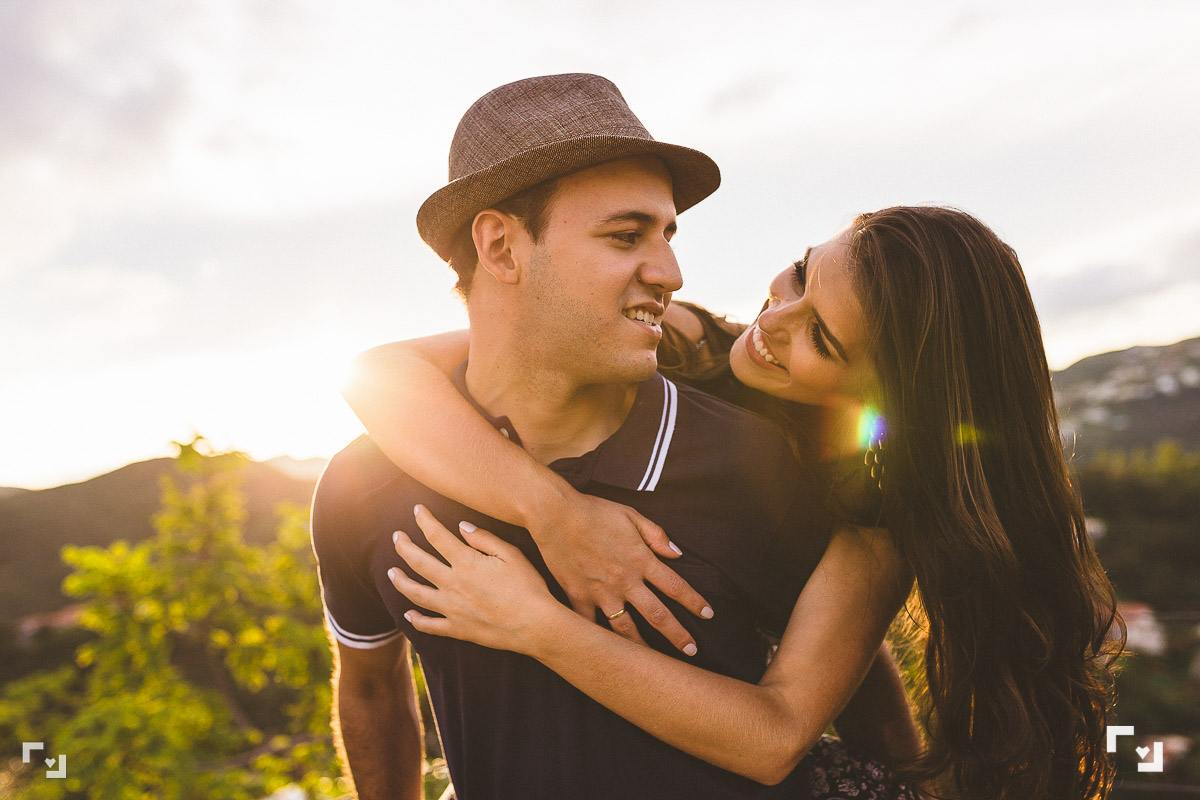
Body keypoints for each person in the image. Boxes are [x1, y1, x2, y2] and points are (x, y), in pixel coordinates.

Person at [348, 206, 1125, 799]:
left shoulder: (877, 512)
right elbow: (380, 375)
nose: (770, 325)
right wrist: (556, 511)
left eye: (820, 336)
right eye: (799, 273)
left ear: (888, 395)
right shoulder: (684, 340)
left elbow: (783, 730)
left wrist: (537, 626)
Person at [311, 73, 920, 800]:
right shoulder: (362, 484)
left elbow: (847, 688)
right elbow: (374, 693)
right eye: (626, 236)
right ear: (501, 249)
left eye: (666, 235)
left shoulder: (759, 460)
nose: (669, 272)